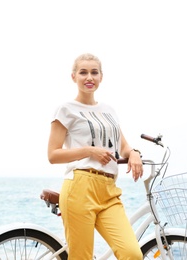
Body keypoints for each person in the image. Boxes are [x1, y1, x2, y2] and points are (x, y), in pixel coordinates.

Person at [47, 53, 144, 260]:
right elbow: (53, 155)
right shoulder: (66, 110)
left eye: (94, 72)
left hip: (109, 191)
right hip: (79, 188)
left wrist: (134, 153)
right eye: (83, 72)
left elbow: (123, 146)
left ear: (101, 77)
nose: (89, 77)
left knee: (132, 254)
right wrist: (90, 150)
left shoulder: (109, 111)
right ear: (74, 77)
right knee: (81, 257)